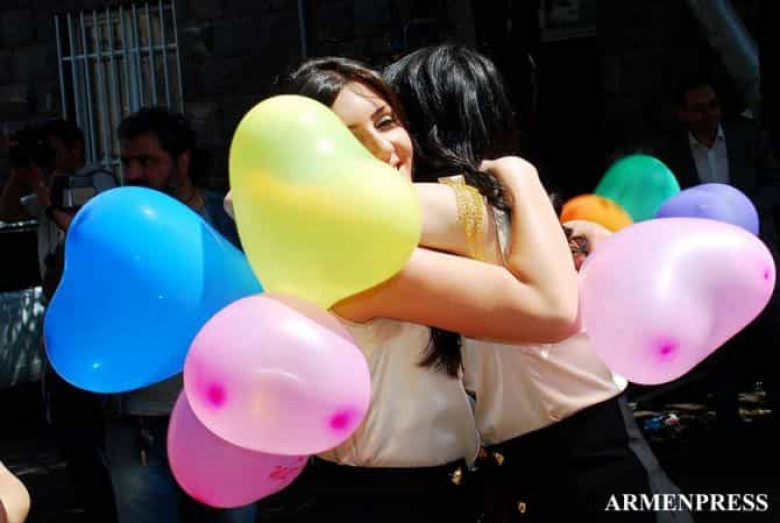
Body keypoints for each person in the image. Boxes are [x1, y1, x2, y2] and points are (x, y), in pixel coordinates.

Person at [238, 56, 580, 523]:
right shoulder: (356, 255)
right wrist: (520, 174)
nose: (383, 149)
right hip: (383, 502)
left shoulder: (359, 235)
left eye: (386, 122)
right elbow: (551, 309)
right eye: (348, 141)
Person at [385, 44, 693, 523]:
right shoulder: (517, 214)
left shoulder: (466, 210)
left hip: (581, 460)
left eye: (391, 120)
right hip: (579, 452)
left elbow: (355, 207)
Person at [104, 107, 252, 523]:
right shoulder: (115, 225)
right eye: (126, 162)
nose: (133, 173)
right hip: (139, 425)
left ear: (182, 160)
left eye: (147, 160)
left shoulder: (228, 220)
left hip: (224, 420)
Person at [0, 120, 118, 523]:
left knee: (95, 422)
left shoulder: (97, 179)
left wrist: (46, 194)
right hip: (59, 320)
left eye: (51, 150)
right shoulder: (45, 185)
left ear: (76, 149)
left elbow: (89, 229)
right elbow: (7, 210)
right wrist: (22, 176)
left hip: (94, 321)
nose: (47, 159)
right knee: (69, 428)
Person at [653, 79, 780, 435]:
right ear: (683, 114)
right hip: (706, 260)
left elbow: (774, 181)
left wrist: (743, 212)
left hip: (755, 249)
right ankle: (728, 426)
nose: (708, 114)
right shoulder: (670, 154)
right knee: (718, 341)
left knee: (771, 333)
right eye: (698, 109)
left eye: (712, 106)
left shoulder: (746, 137)